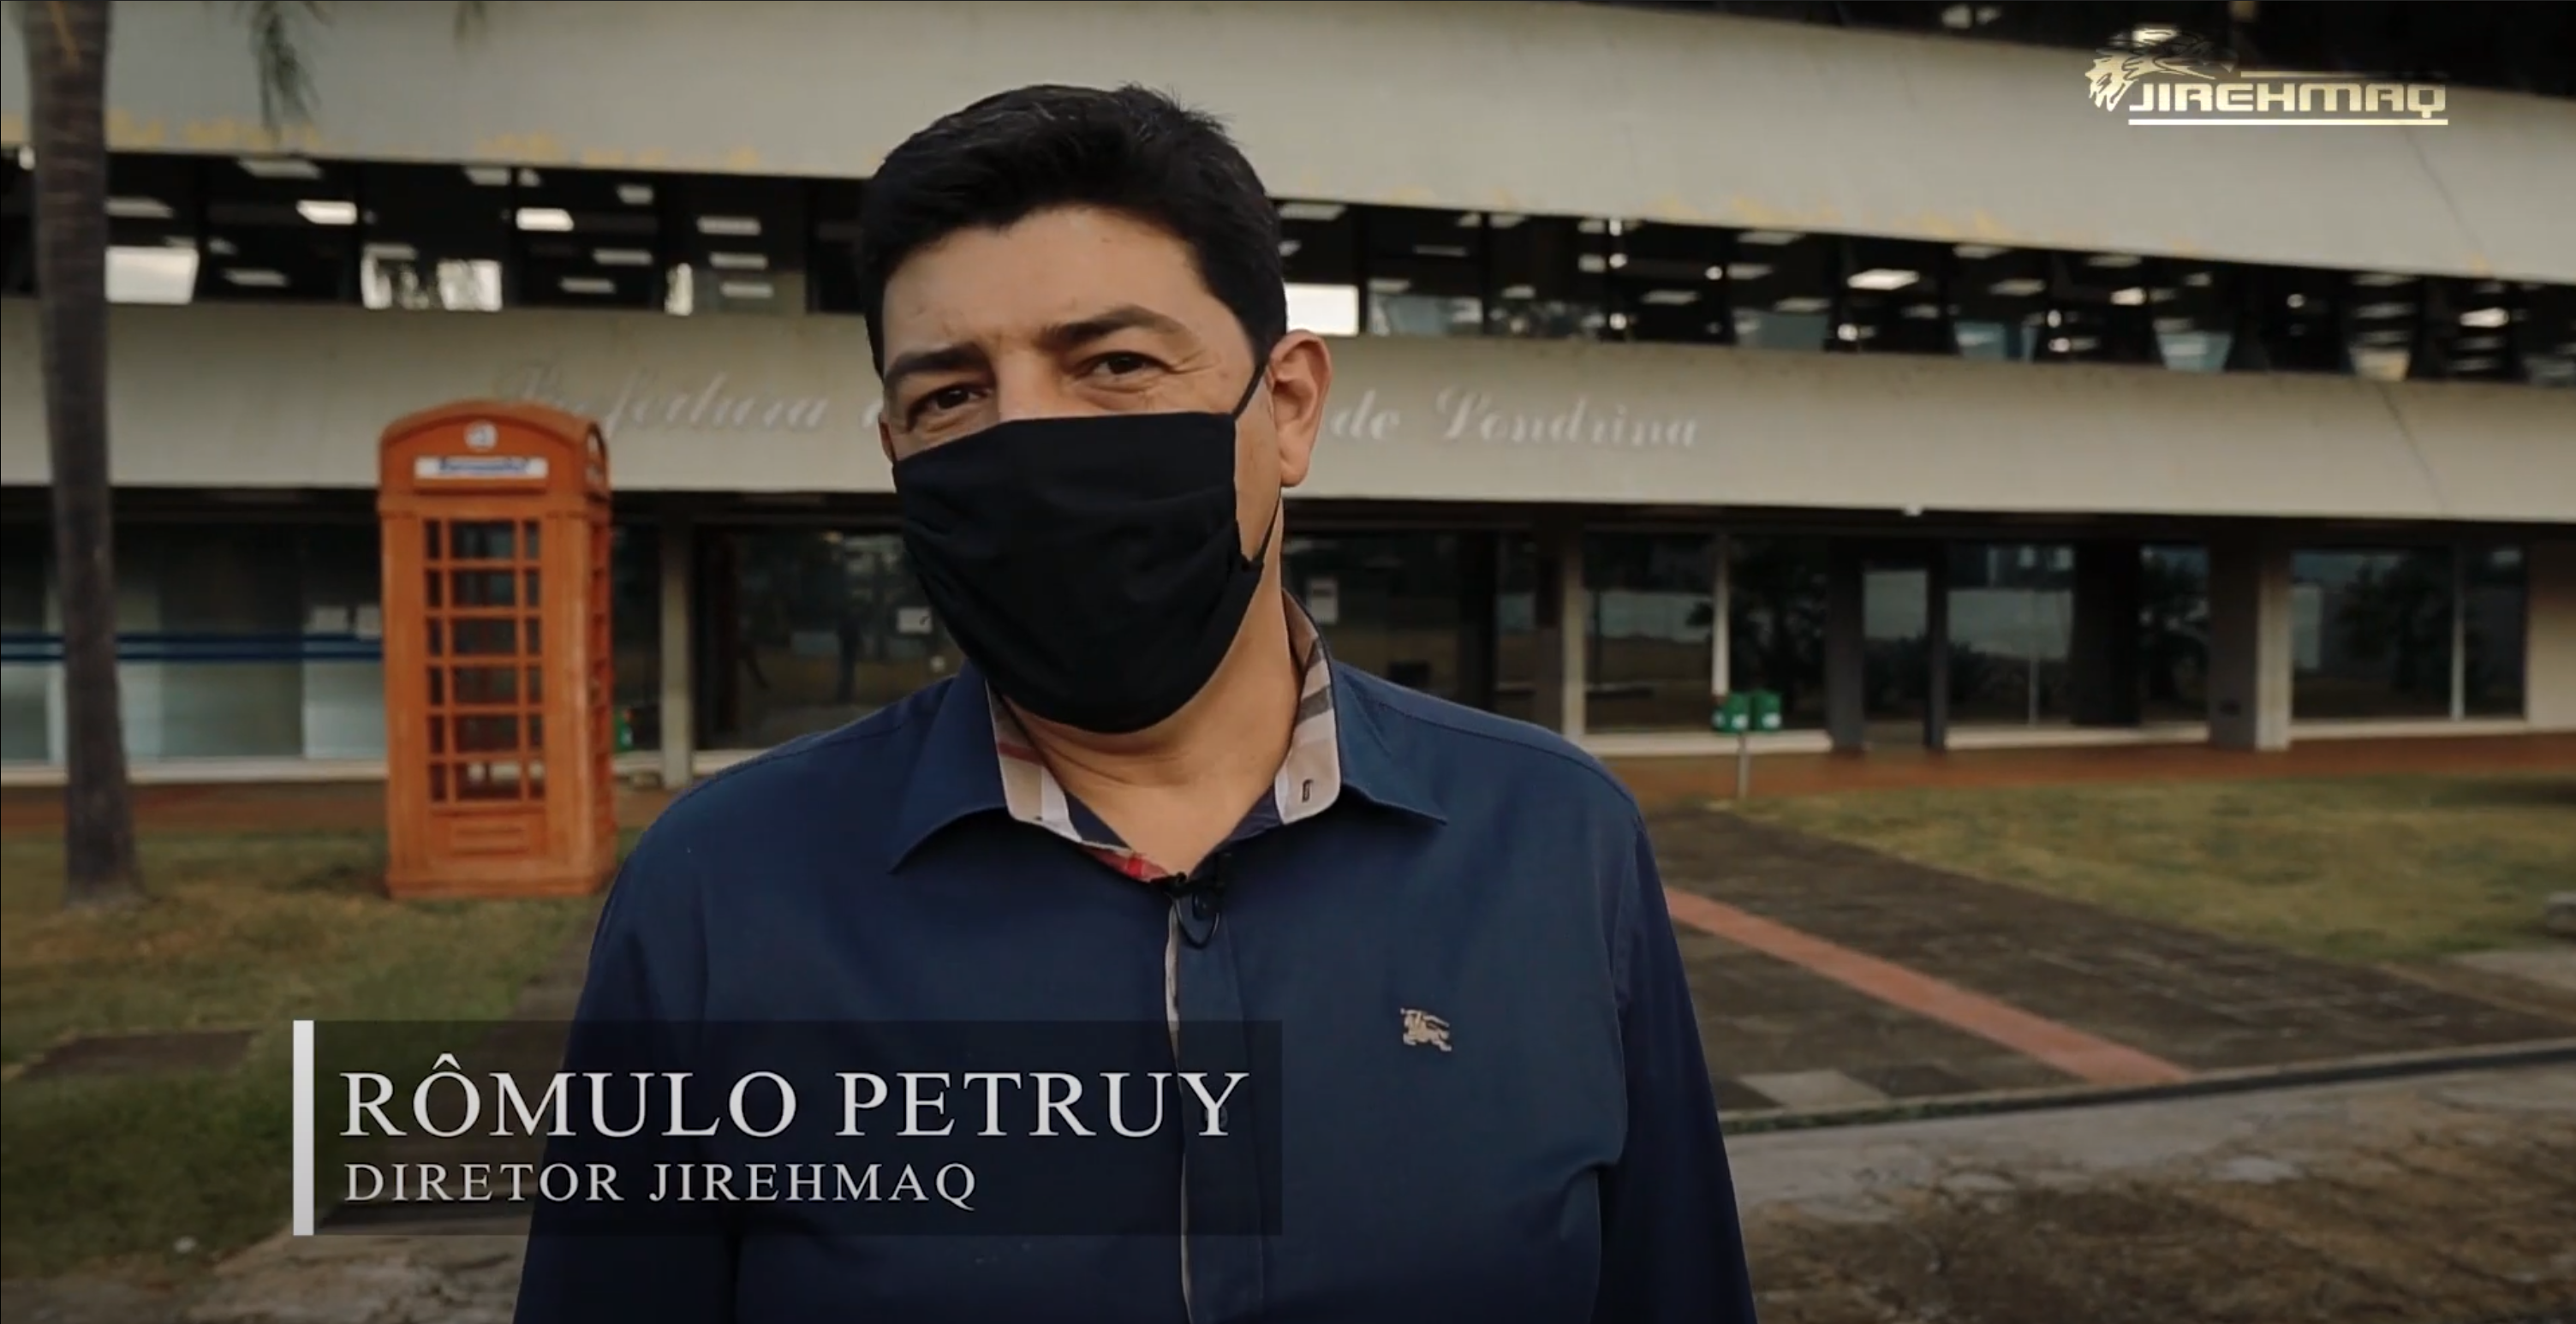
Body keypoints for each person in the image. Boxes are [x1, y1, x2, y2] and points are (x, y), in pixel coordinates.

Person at [513, 83, 1758, 1324]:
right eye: (951, 394)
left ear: (1287, 408)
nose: (1029, 440)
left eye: (1114, 364)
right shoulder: (723, 892)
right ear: (896, 452)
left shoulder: (1557, 841)